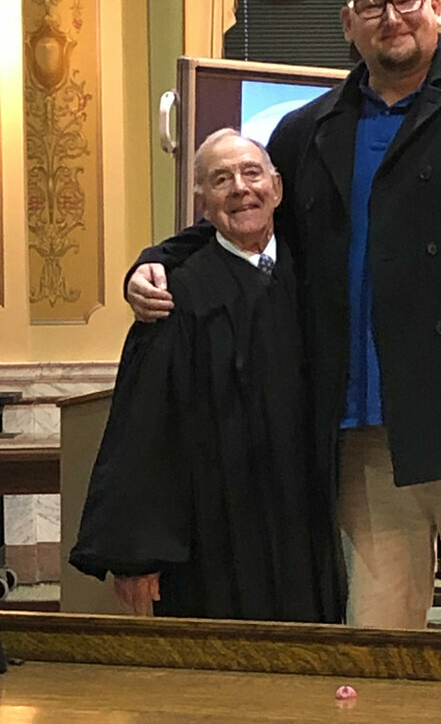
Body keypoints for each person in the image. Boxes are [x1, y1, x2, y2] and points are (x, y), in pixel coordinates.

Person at [125, 0, 441, 634]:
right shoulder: (308, 130)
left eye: (406, 0)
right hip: (360, 436)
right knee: (373, 640)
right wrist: (153, 261)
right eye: (372, 6)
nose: (392, 17)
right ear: (348, 25)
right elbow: (248, 216)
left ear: (434, 7)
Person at [71, 129, 342, 622]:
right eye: (221, 179)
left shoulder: (314, 275)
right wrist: (138, 555)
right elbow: (145, 429)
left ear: (277, 189)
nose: (241, 188)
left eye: (252, 173)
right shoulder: (175, 297)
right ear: (202, 203)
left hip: (308, 527)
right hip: (214, 536)